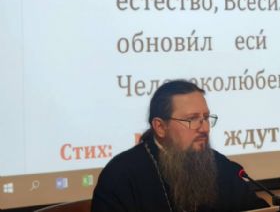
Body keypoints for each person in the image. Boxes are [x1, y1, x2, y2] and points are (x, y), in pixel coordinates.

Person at [92, 80, 269, 212]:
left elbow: (257, 208)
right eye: (192, 119)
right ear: (160, 127)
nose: (204, 128)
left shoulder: (220, 165)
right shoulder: (121, 175)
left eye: (205, 118)